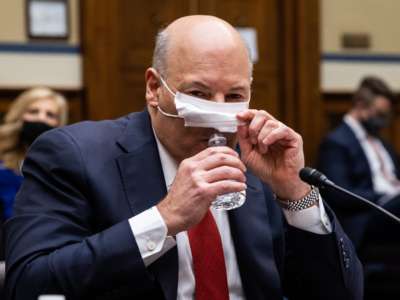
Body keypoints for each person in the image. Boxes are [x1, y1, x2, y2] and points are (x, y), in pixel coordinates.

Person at [5, 16, 362, 299]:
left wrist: (296, 195)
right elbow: (29, 284)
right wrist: (164, 219)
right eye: (198, 93)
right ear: (154, 88)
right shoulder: (73, 154)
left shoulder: (257, 167)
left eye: (235, 94)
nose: (219, 113)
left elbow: (338, 293)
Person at [317, 76, 399, 248]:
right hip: (366, 217)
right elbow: (338, 193)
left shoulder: (382, 142)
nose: (383, 121)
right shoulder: (336, 142)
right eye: (379, 114)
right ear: (361, 105)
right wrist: (384, 194)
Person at [0, 87, 68, 221]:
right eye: (33, 111)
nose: (41, 118)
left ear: (59, 124)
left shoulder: (64, 165)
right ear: (19, 116)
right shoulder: (2, 161)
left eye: (50, 115)